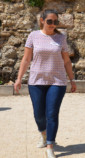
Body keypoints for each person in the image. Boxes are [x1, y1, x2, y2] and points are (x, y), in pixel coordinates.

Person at [14, 9, 77, 158]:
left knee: (52, 114)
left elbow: (67, 60)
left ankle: (50, 146)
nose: (52, 25)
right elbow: (26, 59)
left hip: (57, 81)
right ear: (42, 20)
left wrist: (72, 79)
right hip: (36, 81)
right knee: (38, 114)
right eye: (50, 21)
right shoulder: (33, 36)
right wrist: (19, 79)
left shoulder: (61, 38)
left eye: (55, 22)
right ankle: (43, 134)